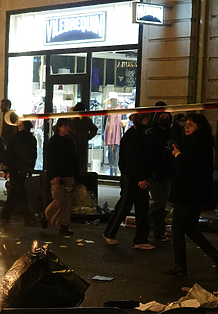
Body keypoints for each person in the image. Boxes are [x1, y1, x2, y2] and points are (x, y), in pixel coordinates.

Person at [165, 113, 218, 276]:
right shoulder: (198, 142)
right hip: (196, 193)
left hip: (189, 193)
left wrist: (178, 154)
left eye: (191, 124)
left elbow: (185, 168)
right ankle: (217, 256)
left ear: (199, 127)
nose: (186, 127)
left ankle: (180, 265)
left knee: (178, 228)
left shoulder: (199, 144)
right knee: (189, 228)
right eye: (186, 123)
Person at [102, 112, 154, 249]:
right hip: (132, 177)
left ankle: (140, 239)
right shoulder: (134, 136)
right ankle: (111, 233)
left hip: (136, 176)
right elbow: (132, 159)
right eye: (145, 119)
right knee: (127, 206)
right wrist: (140, 177)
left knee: (140, 207)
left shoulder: (138, 135)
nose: (147, 121)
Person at [144, 102, 178, 240]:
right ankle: (144, 223)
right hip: (154, 173)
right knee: (159, 201)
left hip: (167, 172)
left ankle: (159, 231)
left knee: (162, 204)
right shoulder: (151, 133)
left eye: (166, 117)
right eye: (161, 117)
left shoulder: (171, 133)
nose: (164, 120)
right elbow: (149, 154)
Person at [43, 118, 77, 237]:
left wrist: (74, 173)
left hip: (68, 174)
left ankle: (64, 225)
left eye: (68, 126)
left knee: (67, 201)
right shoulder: (54, 142)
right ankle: (46, 215)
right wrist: (54, 175)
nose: (68, 128)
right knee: (59, 199)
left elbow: (73, 158)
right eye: (65, 126)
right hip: (58, 175)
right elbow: (51, 160)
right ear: (59, 127)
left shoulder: (69, 141)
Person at [0, 120, 37, 225]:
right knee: (20, 191)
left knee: (16, 191)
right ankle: (28, 217)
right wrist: (30, 167)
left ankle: (6, 215)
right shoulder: (31, 139)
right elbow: (33, 154)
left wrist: (6, 168)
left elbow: (9, 153)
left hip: (14, 167)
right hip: (23, 168)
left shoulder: (15, 138)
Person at [68, 101, 99, 175]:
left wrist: (88, 137)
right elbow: (94, 129)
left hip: (79, 144)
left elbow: (94, 129)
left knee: (80, 162)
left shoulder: (74, 120)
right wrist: (88, 137)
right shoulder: (73, 120)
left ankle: (79, 177)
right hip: (76, 144)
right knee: (77, 162)